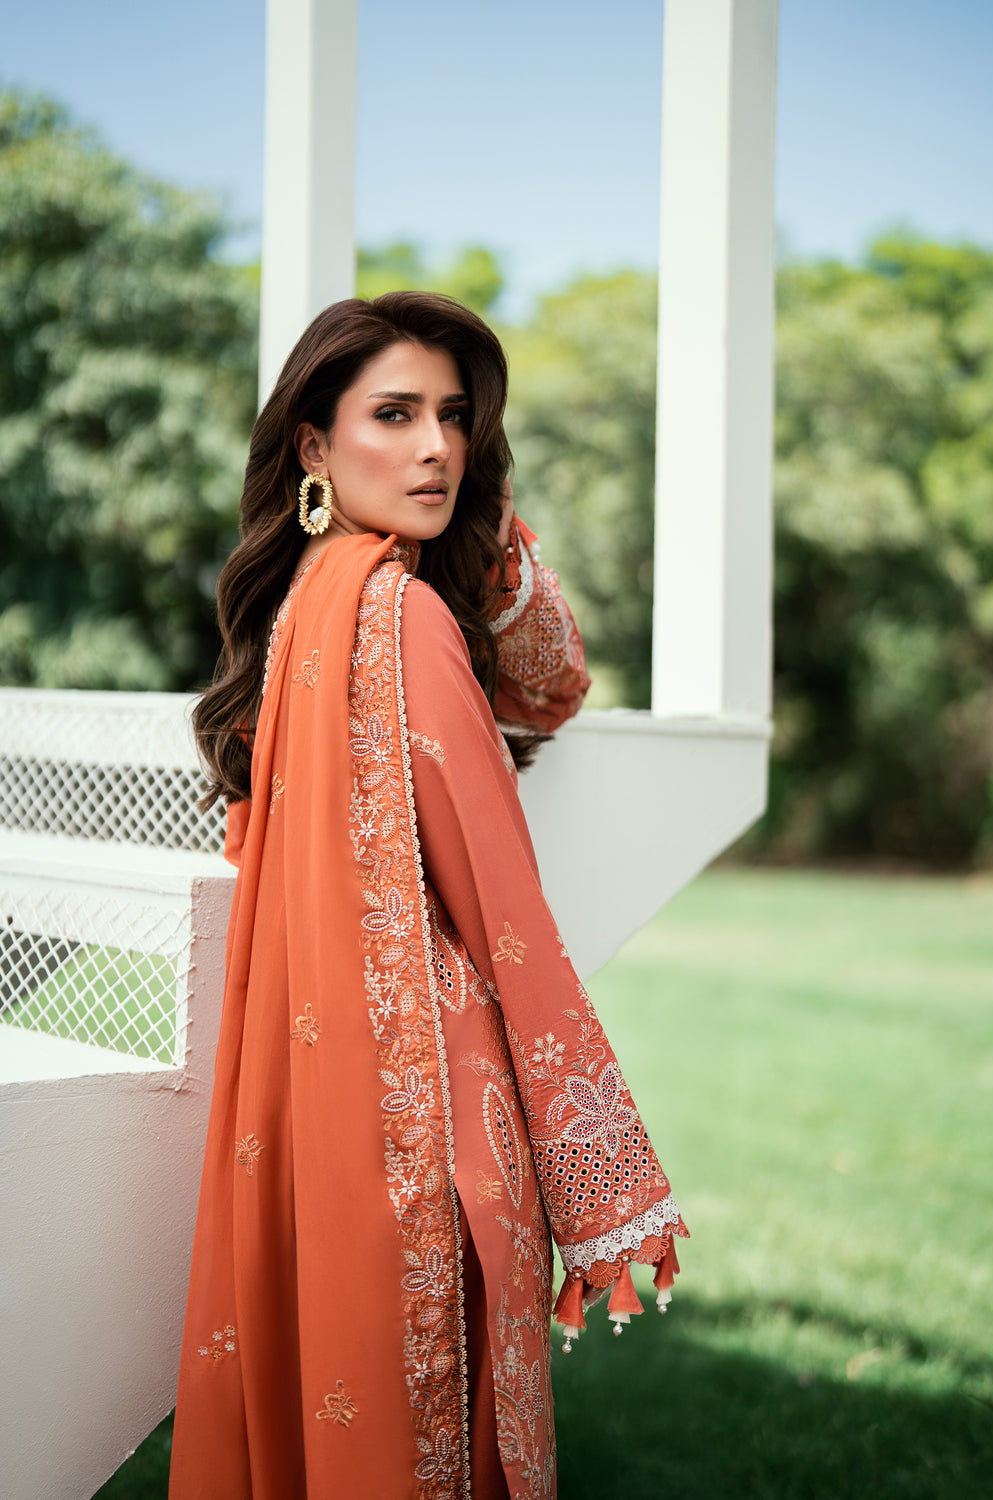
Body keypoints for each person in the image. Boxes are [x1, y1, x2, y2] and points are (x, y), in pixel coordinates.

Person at [169, 291, 687, 1500]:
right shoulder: (399, 611)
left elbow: (548, 688)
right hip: (423, 1125)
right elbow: (505, 908)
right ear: (314, 443)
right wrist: (596, 1159)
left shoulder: (304, 602)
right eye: (394, 415)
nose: (437, 449)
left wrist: (487, 530)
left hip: (306, 1103)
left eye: (455, 419)